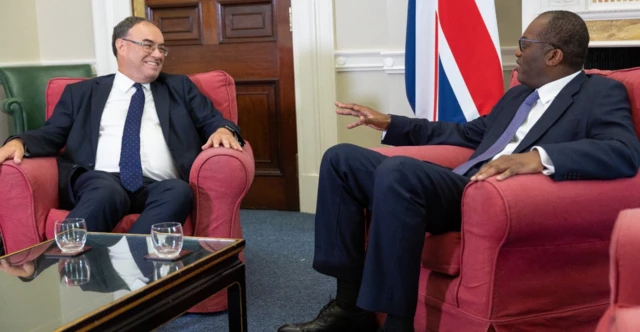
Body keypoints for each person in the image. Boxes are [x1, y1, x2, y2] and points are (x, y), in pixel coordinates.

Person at [278, 10, 640, 332]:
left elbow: (623, 151)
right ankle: (348, 305)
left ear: (553, 54)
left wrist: (537, 157)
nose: (515, 51)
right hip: (459, 186)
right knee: (341, 159)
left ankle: (397, 321)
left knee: (399, 172)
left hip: (492, 197)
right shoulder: (517, 95)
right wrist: (391, 123)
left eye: (523, 43)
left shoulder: (600, 93)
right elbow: (463, 134)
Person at [0, 17, 244, 234]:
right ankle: (63, 263)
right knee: (107, 192)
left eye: (162, 48)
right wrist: (19, 141)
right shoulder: (82, 93)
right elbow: (52, 133)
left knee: (179, 192)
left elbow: (211, 119)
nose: (158, 54)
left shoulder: (179, 87)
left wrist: (223, 130)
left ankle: (127, 266)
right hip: (99, 180)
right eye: (148, 45)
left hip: (159, 184)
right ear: (121, 45)